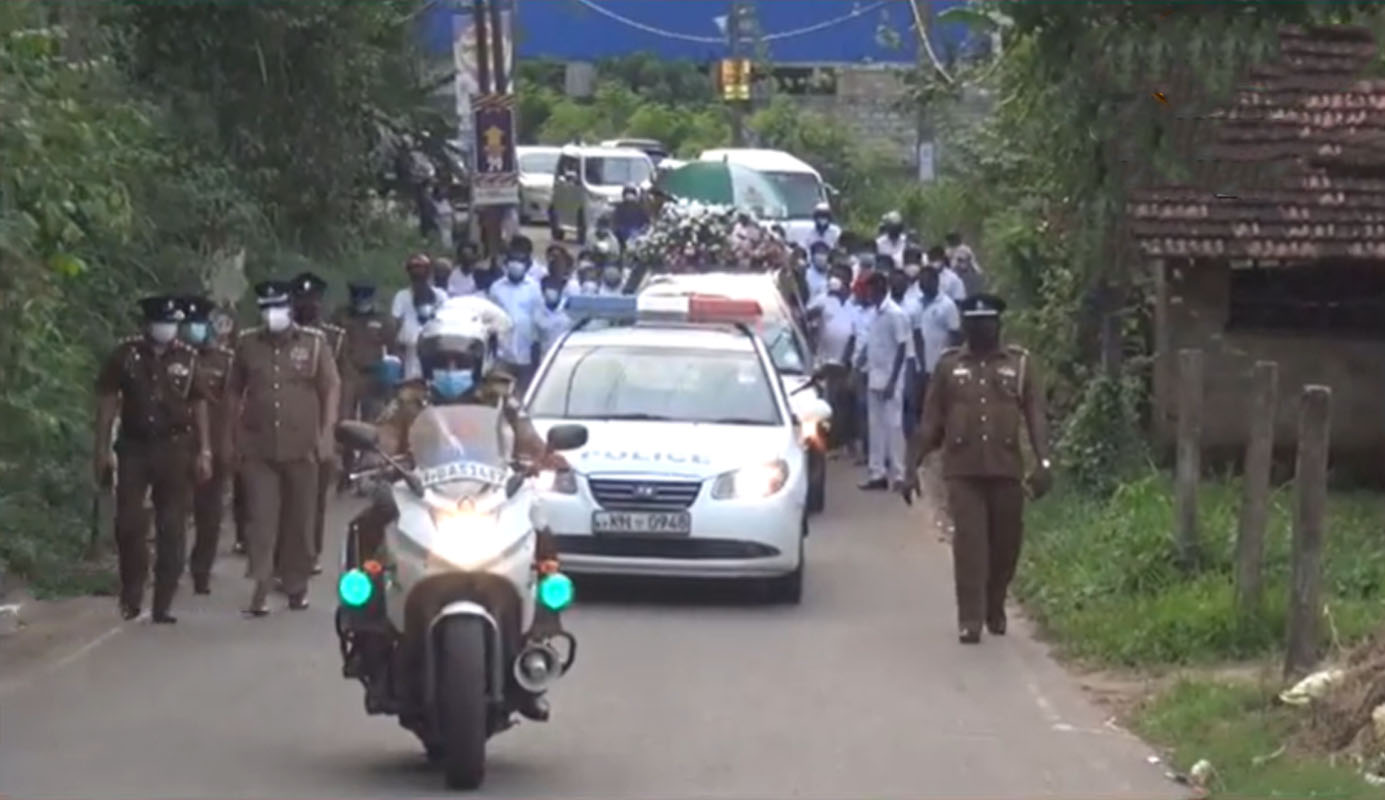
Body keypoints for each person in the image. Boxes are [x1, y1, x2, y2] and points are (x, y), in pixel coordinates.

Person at [350, 302, 564, 721]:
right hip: (423, 493)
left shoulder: (500, 398)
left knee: (540, 526)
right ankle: (367, 628)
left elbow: (527, 439)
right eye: (442, 361)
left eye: (460, 361)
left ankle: (541, 632)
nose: (451, 369)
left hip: (487, 496)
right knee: (371, 520)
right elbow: (388, 434)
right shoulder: (410, 398)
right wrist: (375, 459)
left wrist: (546, 458)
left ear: (478, 362)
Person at [903, 294, 1052, 644]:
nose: (982, 329)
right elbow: (930, 423)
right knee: (970, 545)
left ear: (998, 325)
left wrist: (1044, 462)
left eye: (988, 322)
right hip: (963, 470)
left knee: (1006, 545)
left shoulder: (1020, 366)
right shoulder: (948, 367)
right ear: (965, 327)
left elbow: (1036, 418)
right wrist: (911, 465)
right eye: (974, 323)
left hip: (1006, 469)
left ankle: (995, 602)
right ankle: (969, 618)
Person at [224, 280, 341, 616]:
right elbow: (234, 391)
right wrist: (230, 436)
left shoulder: (315, 344)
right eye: (266, 308)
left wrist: (326, 433)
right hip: (258, 447)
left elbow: (330, 387)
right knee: (261, 518)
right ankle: (260, 584)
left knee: (299, 520)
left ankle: (295, 585)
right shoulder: (247, 344)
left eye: (278, 307)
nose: (272, 314)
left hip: (303, 446)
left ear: (290, 310)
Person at [94, 295, 213, 622]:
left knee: (172, 527)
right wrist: (102, 449)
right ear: (147, 324)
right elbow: (106, 400)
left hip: (175, 448)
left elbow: (200, 402)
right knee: (129, 523)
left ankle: (163, 602)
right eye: (162, 322)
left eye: (172, 323)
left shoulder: (188, 358)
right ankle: (132, 591)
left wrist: (205, 449)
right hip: (133, 447)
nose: (167, 328)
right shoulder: (125, 355)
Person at [179, 295, 236, 596]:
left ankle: (201, 570)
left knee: (208, 514)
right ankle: (170, 567)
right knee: (173, 511)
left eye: (198, 323)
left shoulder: (225, 362)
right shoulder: (172, 359)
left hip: (213, 445)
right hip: (174, 445)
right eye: (188, 323)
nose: (193, 329)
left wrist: (225, 447)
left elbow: (232, 407)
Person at [290, 272, 347, 572]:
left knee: (315, 496)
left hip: (322, 424)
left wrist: (336, 429)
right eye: (301, 299)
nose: (307, 305)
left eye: (312, 300)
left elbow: (342, 384)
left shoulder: (334, 338)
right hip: (287, 424)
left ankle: (310, 553)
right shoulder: (281, 338)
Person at [854, 272, 909, 491]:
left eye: (870, 289)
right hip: (874, 376)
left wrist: (893, 381)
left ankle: (898, 474)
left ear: (879, 289)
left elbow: (902, 347)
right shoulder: (875, 314)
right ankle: (877, 473)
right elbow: (871, 343)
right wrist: (858, 365)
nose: (867, 293)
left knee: (893, 426)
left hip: (890, 379)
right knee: (875, 427)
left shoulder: (895, 314)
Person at [806, 265, 856, 452]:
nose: (835, 279)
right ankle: (821, 440)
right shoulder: (823, 300)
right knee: (822, 403)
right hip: (823, 360)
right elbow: (806, 317)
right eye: (833, 275)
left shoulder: (854, 303)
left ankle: (841, 441)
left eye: (839, 276)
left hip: (845, 361)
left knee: (841, 404)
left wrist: (848, 359)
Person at [333, 282, 396, 424]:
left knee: (374, 418)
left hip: (374, 374)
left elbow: (392, 347)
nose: (361, 301)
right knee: (344, 417)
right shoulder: (341, 316)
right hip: (348, 374)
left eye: (365, 297)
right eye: (358, 297)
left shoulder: (383, 318)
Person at [487, 237, 544, 390]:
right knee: (499, 393)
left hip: (526, 353)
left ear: (526, 265)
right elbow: (490, 320)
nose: (516, 265)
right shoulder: (496, 288)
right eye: (513, 260)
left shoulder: (534, 288)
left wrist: (535, 352)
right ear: (507, 263)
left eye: (520, 261)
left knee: (524, 394)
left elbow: (538, 319)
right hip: (502, 354)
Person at [391, 254, 449, 381]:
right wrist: (395, 350)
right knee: (411, 385)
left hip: (436, 350)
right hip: (411, 351)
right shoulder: (402, 296)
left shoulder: (441, 296)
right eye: (414, 268)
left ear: (428, 271)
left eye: (421, 268)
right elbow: (395, 323)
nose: (418, 272)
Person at [536, 274, 572, 359]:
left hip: (568, 357)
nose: (554, 290)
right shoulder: (537, 313)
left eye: (556, 287)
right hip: (545, 359)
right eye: (550, 287)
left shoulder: (569, 312)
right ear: (543, 291)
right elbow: (535, 342)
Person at [946, 232, 986, 297]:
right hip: (952, 274)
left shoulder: (964, 249)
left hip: (965, 273)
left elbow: (971, 260)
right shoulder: (948, 250)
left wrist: (976, 271)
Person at [612, 185, 649, 250]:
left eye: (631, 193)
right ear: (623, 195)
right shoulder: (620, 208)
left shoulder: (640, 208)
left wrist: (642, 231)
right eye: (627, 193)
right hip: (622, 236)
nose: (629, 196)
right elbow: (615, 222)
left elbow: (646, 222)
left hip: (637, 236)